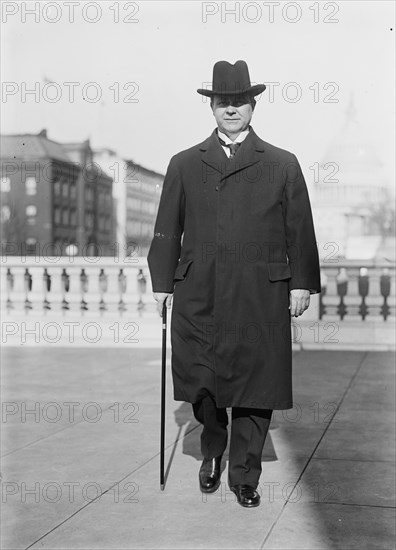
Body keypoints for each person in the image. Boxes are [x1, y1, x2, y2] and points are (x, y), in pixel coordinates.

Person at [147, 60, 321, 508]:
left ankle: (245, 474)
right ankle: (212, 450)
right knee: (202, 382)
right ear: (212, 108)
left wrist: (301, 282)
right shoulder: (185, 163)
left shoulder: (281, 163)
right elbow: (167, 228)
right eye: (222, 102)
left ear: (253, 105)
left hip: (259, 292)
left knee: (255, 384)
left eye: (238, 102)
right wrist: (162, 283)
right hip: (199, 290)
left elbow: (299, 229)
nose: (230, 109)